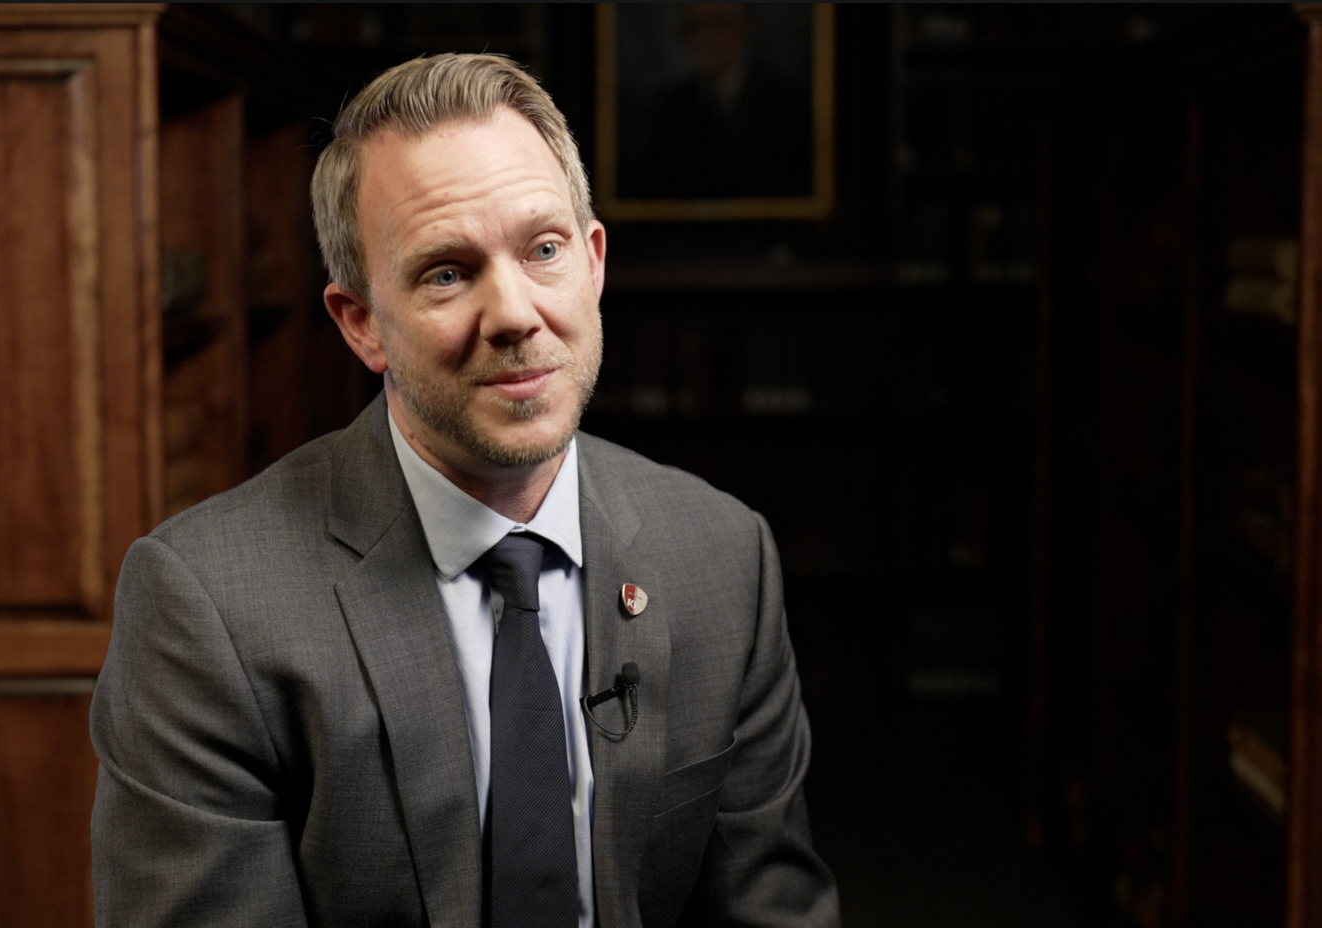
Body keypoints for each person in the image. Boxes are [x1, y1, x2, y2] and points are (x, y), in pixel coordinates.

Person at [90, 53, 839, 928]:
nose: (515, 314)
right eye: (446, 272)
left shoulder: (722, 554)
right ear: (361, 323)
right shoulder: (208, 607)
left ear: (594, 263)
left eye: (544, 249)